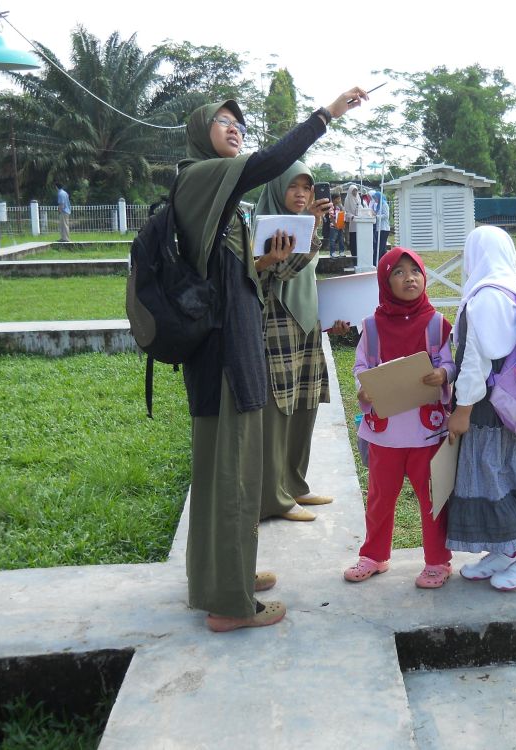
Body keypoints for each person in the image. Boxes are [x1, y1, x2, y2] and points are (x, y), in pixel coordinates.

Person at [175, 86, 367, 633]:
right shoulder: (204, 175)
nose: (234, 127)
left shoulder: (211, 193)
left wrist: (264, 262)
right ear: (199, 135)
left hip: (224, 344)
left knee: (222, 471)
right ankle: (230, 606)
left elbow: (230, 276)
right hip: (226, 350)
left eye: (238, 121)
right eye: (222, 121)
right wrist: (327, 114)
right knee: (233, 472)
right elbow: (272, 162)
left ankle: (220, 578)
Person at [445, 226, 516, 591]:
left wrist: (461, 411)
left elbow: (475, 363)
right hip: (515, 409)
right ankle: (506, 550)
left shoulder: (484, 298)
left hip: (487, 411)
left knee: (491, 477)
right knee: (509, 473)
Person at [344, 247, 455, 588]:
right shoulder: (372, 326)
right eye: (398, 272)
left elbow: (452, 362)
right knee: (380, 497)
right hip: (385, 434)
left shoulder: (437, 324)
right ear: (384, 281)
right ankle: (374, 555)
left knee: (433, 499)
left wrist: (443, 375)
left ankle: (438, 561)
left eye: (416, 271)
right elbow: (361, 366)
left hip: (427, 434)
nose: (409, 278)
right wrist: (364, 389)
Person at [256, 162, 351, 525]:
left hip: (306, 326)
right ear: (278, 188)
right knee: (278, 410)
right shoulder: (263, 225)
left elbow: (307, 278)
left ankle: (295, 483)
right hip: (275, 323)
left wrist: (330, 320)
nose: (301, 194)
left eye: (307, 188)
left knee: (304, 406)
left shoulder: (307, 225)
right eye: (293, 186)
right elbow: (283, 271)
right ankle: (273, 496)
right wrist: (310, 230)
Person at [370, 190, 390, 265]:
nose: (375, 200)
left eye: (376, 198)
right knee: (382, 247)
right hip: (379, 228)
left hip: (384, 228)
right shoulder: (379, 205)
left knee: (380, 247)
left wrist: (376, 216)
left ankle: (377, 262)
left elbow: (386, 216)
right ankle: (384, 262)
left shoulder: (384, 204)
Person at [344, 184, 361, 260]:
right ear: (350, 191)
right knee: (353, 241)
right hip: (353, 223)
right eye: (353, 191)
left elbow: (361, 208)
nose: (355, 192)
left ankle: (359, 256)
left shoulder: (358, 198)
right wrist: (352, 216)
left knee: (359, 241)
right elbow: (346, 212)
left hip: (360, 224)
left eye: (356, 190)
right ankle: (354, 256)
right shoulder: (347, 199)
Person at [329, 193, 346, 257]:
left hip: (340, 226)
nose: (339, 200)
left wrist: (342, 224)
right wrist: (335, 225)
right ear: (334, 199)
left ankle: (341, 251)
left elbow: (341, 215)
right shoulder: (331, 207)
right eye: (338, 199)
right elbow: (331, 217)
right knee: (332, 240)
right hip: (333, 226)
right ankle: (332, 252)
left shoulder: (339, 207)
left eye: (340, 198)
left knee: (341, 239)